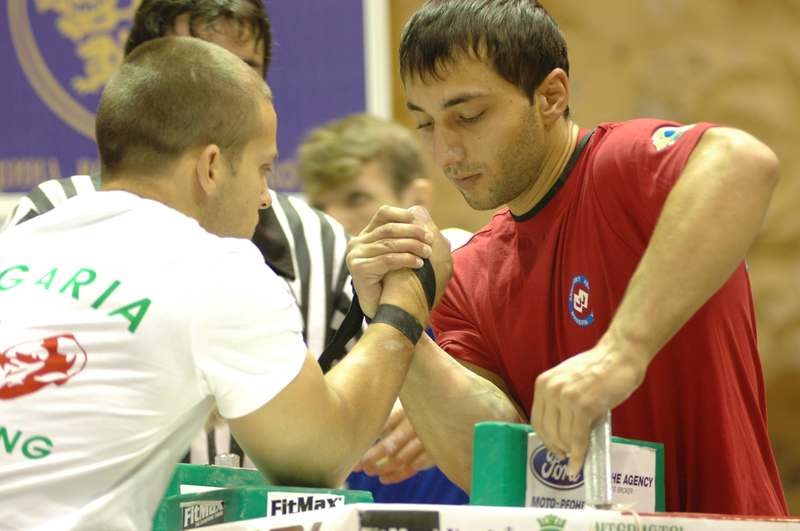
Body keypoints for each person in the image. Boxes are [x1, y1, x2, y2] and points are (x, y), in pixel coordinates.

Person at [345, 0, 788, 515]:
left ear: (551, 96)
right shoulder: (468, 275)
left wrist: (620, 353)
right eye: (426, 125)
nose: (446, 153)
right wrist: (396, 319)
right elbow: (496, 462)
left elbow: (744, 161)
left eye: (469, 116)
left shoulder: (618, 168)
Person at [0, 37, 452, 529]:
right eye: (263, 169)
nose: (265, 198)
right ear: (211, 166)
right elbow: (319, 457)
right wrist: (404, 305)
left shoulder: (17, 242)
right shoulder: (215, 266)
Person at [1, 0, 355, 466]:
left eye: (245, 68)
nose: (222, 84)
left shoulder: (321, 239)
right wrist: (399, 320)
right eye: (198, 61)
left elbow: (351, 412)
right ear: (145, 78)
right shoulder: (49, 213)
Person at [297, 113, 469, 504]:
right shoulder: (310, 302)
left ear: (417, 200)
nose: (333, 220)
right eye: (320, 206)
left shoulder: (472, 266)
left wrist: (455, 406)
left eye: (356, 198)